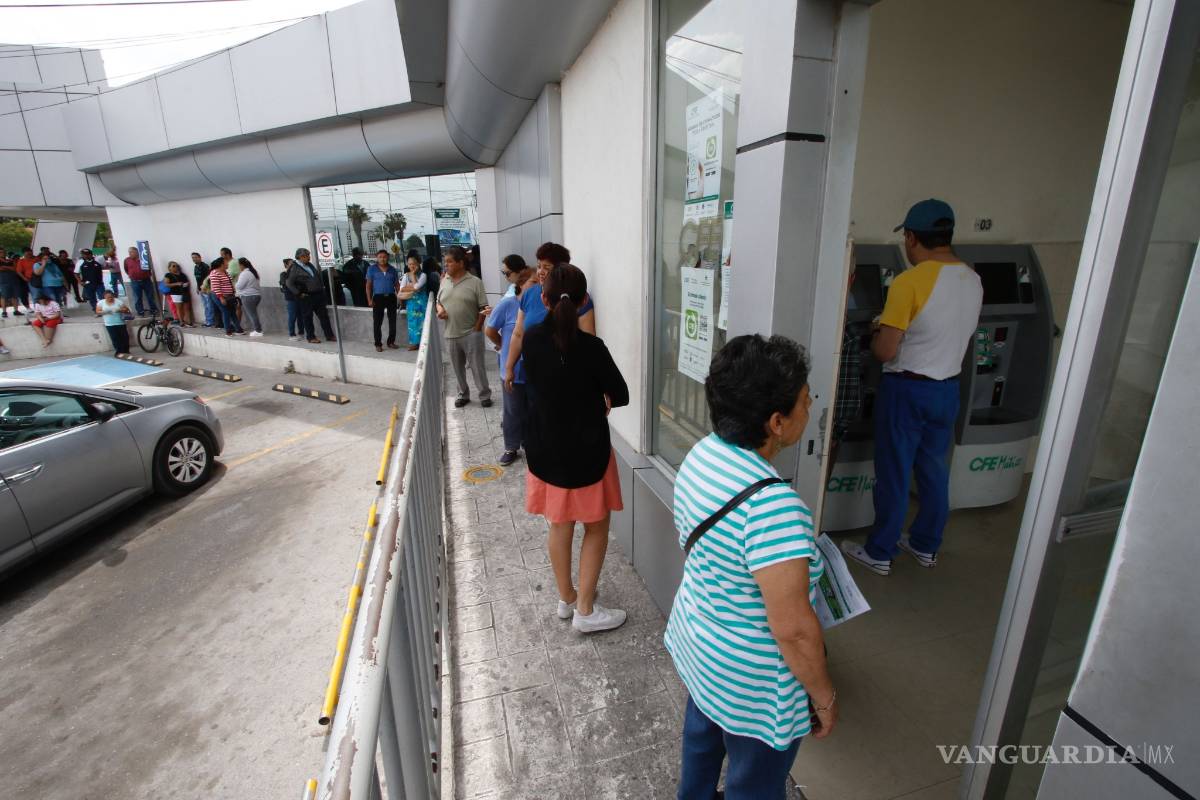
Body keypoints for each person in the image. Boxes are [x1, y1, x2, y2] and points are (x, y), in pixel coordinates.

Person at [665, 334, 836, 799]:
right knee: (754, 786)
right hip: (755, 685)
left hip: (702, 651)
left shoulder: (705, 454)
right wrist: (823, 696)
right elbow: (794, 630)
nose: (811, 406)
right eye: (805, 400)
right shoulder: (774, 509)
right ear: (777, 422)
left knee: (699, 755)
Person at [841, 199, 983, 576]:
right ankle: (925, 546)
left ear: (911, 237)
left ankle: (881, 552)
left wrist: (875, 333)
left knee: (895, 473)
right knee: (934, 471)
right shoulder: (973, 279)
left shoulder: (909, 282)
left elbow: (887, 352)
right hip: (947, 389)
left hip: (907, 390)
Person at [522, 263, 629, 633]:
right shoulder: (593, 348)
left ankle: (567, 599)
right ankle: (586, 610)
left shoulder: (533, 339)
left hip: (546, 452)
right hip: (589, 455)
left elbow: (538, 382)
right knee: (596, 528)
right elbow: (622, 394)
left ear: (543, 298)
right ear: (585, 301)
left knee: (559, 523)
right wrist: (599, 395)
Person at [485, 255, 532, 466]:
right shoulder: (507, 304)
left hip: (534, 369)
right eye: (531, 285)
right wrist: (504, 346)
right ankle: (511, 447)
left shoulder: (540, 304)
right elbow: (490, 330)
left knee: (531, 409)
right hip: (511, 367)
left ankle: (530, 444)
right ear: (520, 286)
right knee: (513, 410)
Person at [435, 245, 491, 408]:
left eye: (450, 262)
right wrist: (440, 310)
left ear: (460, 263)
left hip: (470, 333)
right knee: (457, 369)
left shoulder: (475, 282)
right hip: (450, 333)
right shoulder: (444, 280)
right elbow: (439, 301)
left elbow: (484, 308)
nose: (446, 265)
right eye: (445, 262)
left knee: (477, 367)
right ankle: (463, 394)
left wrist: (477, 328)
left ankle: (484, 395)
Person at [286, 248, 336, 344]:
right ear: (300, 257)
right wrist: (299, 293)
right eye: (307, 256)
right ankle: (311, 337)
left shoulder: (309, 265)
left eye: (309, 255)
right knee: (308, 317)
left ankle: (329, 335)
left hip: (318, 295)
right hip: (306, 296)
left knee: (324, 316)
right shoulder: (294, 268)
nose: (309, 257)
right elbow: (289, 283)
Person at [365, 250, 400, 352]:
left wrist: (400, 298)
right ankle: (378, 344)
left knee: (392, 321)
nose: (382, 259)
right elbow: (368, 286)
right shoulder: (371, 269)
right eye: (380, 257)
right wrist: (369, 299)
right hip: (378, 298)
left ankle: (391, 342)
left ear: (388, 257)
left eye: (384, 257)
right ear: (377, 258)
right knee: (377, 322)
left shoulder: (393, 270)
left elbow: (397, 285)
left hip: (391, 297)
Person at [398, 252, 428, 350]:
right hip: (411, 302)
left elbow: (417, 288)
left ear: (419, 263)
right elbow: (401, 289)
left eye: (414, 264)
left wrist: (413, 276)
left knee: (422, 322)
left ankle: (423, 343)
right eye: (410, 264)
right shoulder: (406, 275)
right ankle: (414, 343)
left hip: (422, 303)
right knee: (412, 323)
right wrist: (412, 287)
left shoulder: (423, 275)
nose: (412, 266)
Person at [208, 258, 244, 336]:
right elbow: (216, 287)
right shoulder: (214, 273)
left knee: (232, 312)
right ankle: (228, 331)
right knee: (225, 312)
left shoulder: (225, 272)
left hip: (229, 296)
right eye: (226, 262)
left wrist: (233, 293)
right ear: (221, 264)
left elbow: (229, 283)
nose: (227, 264)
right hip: (219, 296)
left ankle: (238, 329)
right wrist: (221, 298)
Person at [123, 245, 158, 316]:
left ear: (136, 252)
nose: (130, 254)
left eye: (132, 252)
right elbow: (126, 269)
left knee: (150, 296)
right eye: (129, 252)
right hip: (135, 281)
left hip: (146, 280)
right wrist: (132, 275)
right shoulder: (127, 260)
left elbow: (150, 268)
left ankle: (153, 310)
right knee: (137, 297)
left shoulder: (143, 259)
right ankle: (140, 311)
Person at [95, 290, 132, 355]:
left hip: (120, 322)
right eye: (108, 297)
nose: (110, 298)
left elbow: (126, 310)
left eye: (111, 297)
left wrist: (119, 310)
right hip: (109, 324)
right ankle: (119, 351)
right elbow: (97, 311)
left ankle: (126, 350)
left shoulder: (118, 301)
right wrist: (104, 312)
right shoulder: (101, 303)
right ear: (105, 297)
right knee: (115, 338)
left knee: (124, 337)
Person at [234, 257, 263, 336]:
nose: (238, 267)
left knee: (252, 314)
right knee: (253, 313)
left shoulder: (245, 273)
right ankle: (258, 329)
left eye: (238, 265)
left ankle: (258, 330)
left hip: (248, 296)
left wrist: (236, 283)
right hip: (256, 295)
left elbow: (239, 286)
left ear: (242, 265)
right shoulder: (253, 272)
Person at [164, 261, 195, 327]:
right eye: (173, 266)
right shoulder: (168, 275)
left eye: (176, 266)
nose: (176, 267)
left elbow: (187, 282)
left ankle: (188, 321)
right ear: (169, 268)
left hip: (184, 292)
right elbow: (166, 284)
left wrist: (186, 284)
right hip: (176, 293)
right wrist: (177, 284)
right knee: (179, 308)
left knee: (187, 307)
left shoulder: (182, 274)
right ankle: (181, 321)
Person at [191, 252, 217, 327]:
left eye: (195, 257)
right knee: (205, 305)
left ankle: (210, 321)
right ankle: (207, 320)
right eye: (192, 258)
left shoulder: (205, 266)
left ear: (200, 257)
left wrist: (205, 288)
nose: (194, 259)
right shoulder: (196, 267)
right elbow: (197, 279)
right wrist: (197, 287)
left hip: (206, 289)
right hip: (200, 289)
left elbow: (208, 279)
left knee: (209, 305)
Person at [280, 258, 302, 340]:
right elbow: (285, 284)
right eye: (291, 264)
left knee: (300, 316)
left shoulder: (297, 273)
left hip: (299, 297)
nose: (293, 265)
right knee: (292, 316)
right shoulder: (283, 274)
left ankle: (301, 332)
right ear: (286, 265)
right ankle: (292, 334)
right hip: (291, 298)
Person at [0, 251, 20, 317]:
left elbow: (15, 268)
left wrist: (5, 267)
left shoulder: (10, 260)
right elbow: (0, 269)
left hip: (13, 279)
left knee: (15, 295)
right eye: (1, 252)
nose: (3, 253)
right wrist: (9, 267)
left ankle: (16, 310)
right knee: (4, 296)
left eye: (3, 252)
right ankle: (4, 311)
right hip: (3, 280)